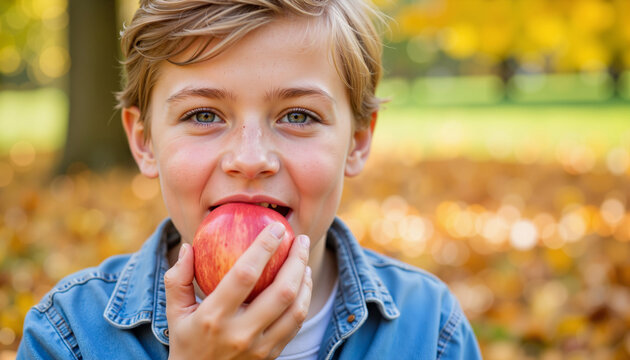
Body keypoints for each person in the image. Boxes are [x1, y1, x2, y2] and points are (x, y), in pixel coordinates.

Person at [18, 0, 482, 359]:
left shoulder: (430, 331)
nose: (250, 158)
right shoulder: (69, 335)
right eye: (203, 115)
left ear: (357, 142)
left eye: (298, 115)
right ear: (144, 143)